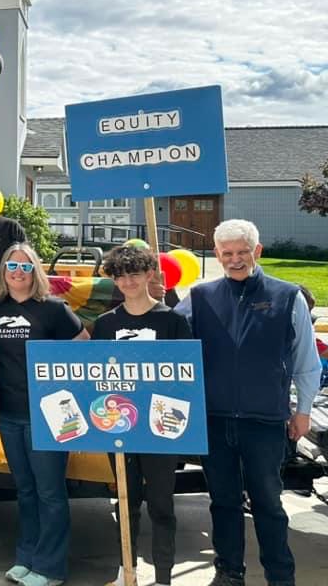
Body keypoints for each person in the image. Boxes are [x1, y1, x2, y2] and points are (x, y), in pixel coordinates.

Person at [175, 219, 320, 586]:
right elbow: (166, 336)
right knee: (223, 503)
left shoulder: (289, 297)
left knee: (268, 505)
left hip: (266, 421)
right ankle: (229, 572)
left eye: (242, 252)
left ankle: (280, 576)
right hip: (215, 419)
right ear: (217, 255)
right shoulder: (200, 297)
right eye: (227, 254)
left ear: (257, 251)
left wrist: (303, 411)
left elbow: (306, 361)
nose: (235, 260)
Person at [0, 242, 89, 586]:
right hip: (11, 415)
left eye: (26, 267)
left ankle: (50, 567)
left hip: (48, 416)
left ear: (36, 272)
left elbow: (83, 344)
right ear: (3, 271)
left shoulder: (53, 309)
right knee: (25, 491)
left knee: (50, 493)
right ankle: (27, 557)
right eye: (12, 267)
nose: (18, 272)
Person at [97, 246, 193, 586]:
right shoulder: (106, 324)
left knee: (161, 505)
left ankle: (164, 577)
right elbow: (98, 380)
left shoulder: (173, 320)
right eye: (120, 275)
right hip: (119, 425)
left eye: (134, 273)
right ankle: (128, 572)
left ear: (149, 274)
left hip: (161, 428)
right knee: (125, 503)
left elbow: (186, 379)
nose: (127, 281)